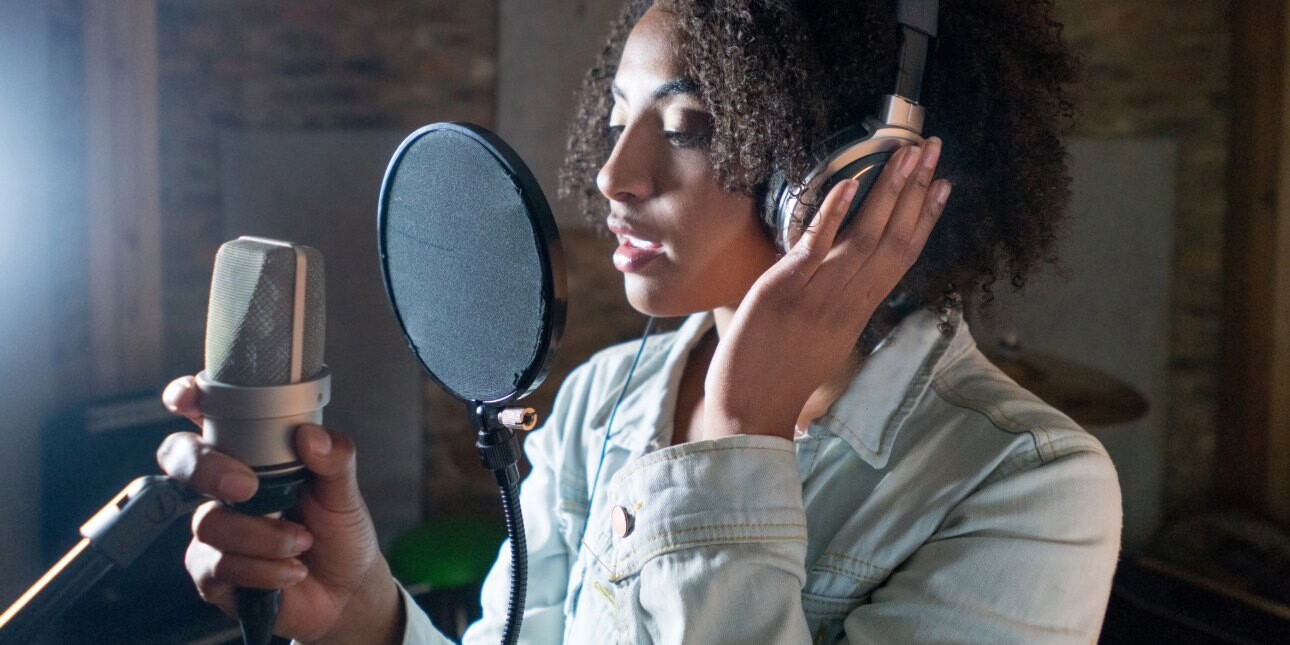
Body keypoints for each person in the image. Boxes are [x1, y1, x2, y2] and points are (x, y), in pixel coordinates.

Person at [158, 1, 1122, 643]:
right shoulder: (598, 401)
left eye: (691, 126)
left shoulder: (1031, 489)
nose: (615, 177)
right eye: (617, 117)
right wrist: (362, 611)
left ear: (851, 169)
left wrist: (737, 439)